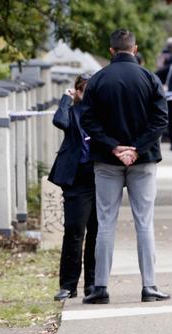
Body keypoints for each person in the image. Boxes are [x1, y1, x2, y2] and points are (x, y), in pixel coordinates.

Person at [80, 29, 170, 304]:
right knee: (144, 223)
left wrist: (113, 146)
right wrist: (137, 148)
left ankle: (101, 287)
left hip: (107, 160)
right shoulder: (149, 78)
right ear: (135, 49)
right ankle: (149, 286)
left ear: (111, 51)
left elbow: (88, 120)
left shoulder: (97, 81)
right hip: (142, 160)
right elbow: (160, 119)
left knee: (106, 223)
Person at [48, 73, 98, 301]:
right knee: (75, 231)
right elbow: (60, 122)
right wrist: (66, 99)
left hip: (101, 177)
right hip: (77, 180)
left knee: (97, 233)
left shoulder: (102, 113)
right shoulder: (72, 111)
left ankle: (94, 284)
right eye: (86, 90)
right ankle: (68, 285)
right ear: (78, 92)